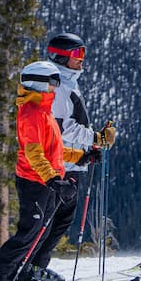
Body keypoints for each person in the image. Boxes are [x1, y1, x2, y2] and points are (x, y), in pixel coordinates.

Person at [0, 60, 97, 281]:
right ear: (38, 83)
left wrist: (82, 157)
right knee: (27, 235)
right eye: (52, 82)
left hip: (45, 181)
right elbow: (34, 154)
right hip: (35, 182)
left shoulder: (44, 112)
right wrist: (52, 179)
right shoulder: (31, 113)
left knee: (38, 235)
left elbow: (55, 150)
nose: (55, 87)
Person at [44, 33, 114, 249]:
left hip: (72, 162)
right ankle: (30, 270)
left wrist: (89, 149)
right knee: (52, 221)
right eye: (77, 53)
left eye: (83, 52)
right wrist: (95, 138)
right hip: (61, 166)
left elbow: (73, 122)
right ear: (61, 57)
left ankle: (36, 268)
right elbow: (62, 129)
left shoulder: (68, 83)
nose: (82, 58)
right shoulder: (59, 87)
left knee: (60, 221)